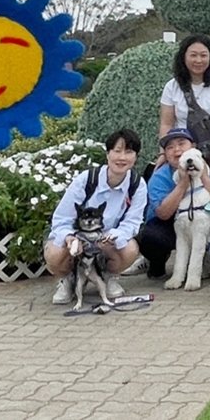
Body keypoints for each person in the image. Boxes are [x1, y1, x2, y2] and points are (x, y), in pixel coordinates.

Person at [45, 129, 147, 304]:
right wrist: (70, 238)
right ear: (107, 154)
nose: (122, 157)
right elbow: (62, 218)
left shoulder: (137, 185)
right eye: (117, 151)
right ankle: (68, 280)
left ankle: (108, 277)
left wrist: (114, 235)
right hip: (79, 238)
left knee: (130, 249)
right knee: (54, 252)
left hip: (106, 241)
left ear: (135, 157)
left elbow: (133, 222)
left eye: (128, 152)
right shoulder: (86, 180)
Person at [135, 127, 210, 283]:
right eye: (170, 147)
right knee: (151, 237)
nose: (176, 150)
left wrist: (204, 177)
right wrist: (182, 183)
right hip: (168, 223)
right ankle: (156, 264)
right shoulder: (159, 176)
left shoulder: (209, 169)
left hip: (203, 220)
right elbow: (163, 213)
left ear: (193, 147)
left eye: (181, 144)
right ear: (165, 154)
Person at [159, 34, 210, 175]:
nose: (198, 60)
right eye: (193, 55)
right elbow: (166, 123)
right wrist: (163, 153)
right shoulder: (172, 87)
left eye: (203, 55)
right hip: (184, 153)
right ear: (183, 57)